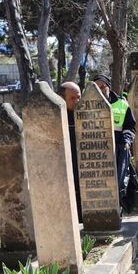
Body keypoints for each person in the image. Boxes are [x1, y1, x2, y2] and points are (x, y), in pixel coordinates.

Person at [91, 74, 138, 210]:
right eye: (96, 88)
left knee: (118, 184)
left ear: (108, 87)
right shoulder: (88, 105)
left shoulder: (122, 105)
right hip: (97, 153)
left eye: (103, 86)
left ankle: (118, 210)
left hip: (118, 150)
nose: (100, 90)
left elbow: (130, 126)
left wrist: (127, 141)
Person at [58, 81, 82, 220]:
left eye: (78, 97)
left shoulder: (84, 114)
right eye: (72, 98)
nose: (77, 101)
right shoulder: (56, 117)